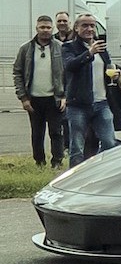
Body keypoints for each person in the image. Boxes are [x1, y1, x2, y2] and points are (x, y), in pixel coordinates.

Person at [61, 14, 116, 166]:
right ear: (76, 28)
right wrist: (89, 53)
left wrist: (114, 76)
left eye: (92, 25)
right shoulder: (68, 47)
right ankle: (75, 176)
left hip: (101, 103)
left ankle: (94, 168)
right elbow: (70, 65)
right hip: (78, 105)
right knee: (77, 147)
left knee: (109, 142)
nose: (89, 29)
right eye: (85, 25)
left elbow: (108, 68)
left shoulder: (102, 48)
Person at [13, 15, 67, 167]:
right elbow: (17, 72)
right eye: (42, 27)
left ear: (52, 29)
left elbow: (68, 73)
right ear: (36, 28)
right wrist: (23, 98)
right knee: (37, 133)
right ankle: (39, 162)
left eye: (48, 27)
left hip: (54, 98)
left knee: (56, 132)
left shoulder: (61, 48)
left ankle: (57, 161)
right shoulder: (25, 49)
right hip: (33, 99)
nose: (45, 30)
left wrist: (65, 96)